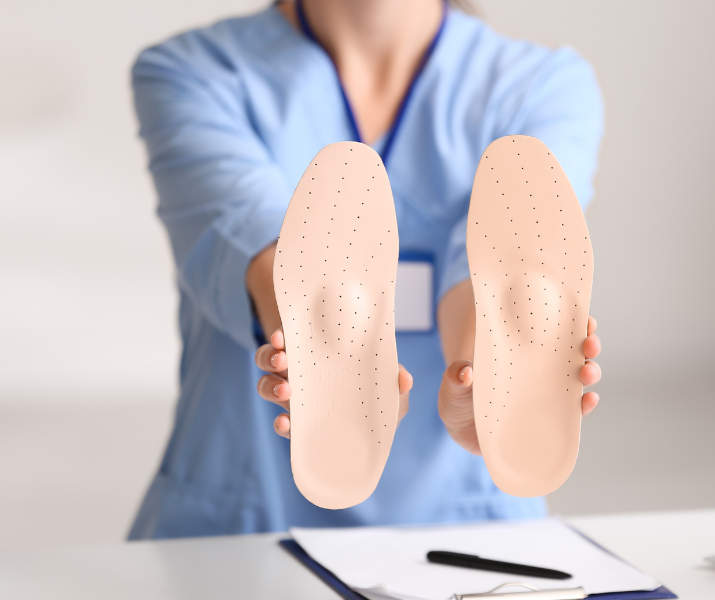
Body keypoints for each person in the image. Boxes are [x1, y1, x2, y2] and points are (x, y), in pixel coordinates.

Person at [128, 0, 605, 539]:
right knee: (508, 295)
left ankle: (367, 336)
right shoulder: (196, 73)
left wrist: (469, 383)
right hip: (246, 513)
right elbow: (243, 235)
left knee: (341, 299)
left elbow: (244, 232)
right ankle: (398, 341)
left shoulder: (540, 86)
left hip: (465, 515)